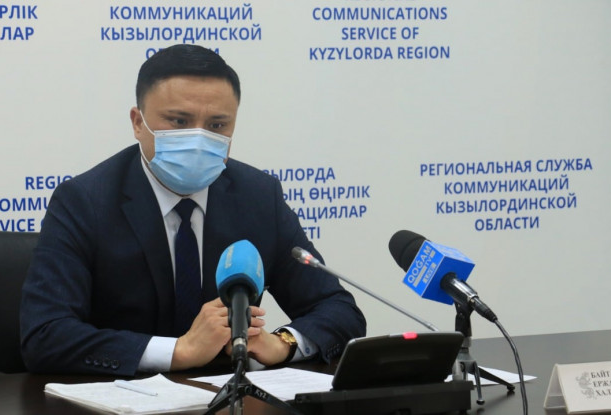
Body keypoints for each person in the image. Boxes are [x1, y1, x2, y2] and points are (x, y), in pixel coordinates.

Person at [19, 44, 366, 375]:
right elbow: (45, 335)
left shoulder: (259, 196)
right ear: (138, 122)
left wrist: (283, 343)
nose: (198, 139)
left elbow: (338, 310)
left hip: (230, 395)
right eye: (179, 121)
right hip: (122, 397)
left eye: (217, 126)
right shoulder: (85, 201)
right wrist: (178, 351)